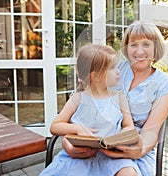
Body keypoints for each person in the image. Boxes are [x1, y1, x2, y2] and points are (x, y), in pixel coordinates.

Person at [62, 21, 168, 175]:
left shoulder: (165, 84)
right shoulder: (112, 68)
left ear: (156, 47)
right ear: (126, 47)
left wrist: (134, 151)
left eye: (146, 44)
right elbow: (82, 108)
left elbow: (150, 133)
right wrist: (67, 142)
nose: (139, 51)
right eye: (133, 45)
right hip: (94, 141)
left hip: (135, 147)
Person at [40, 44, 141, 176]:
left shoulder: (120, 98)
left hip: (111, 157)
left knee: (129, 173)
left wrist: (118, 138)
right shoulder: (78, 98)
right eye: (112, 68)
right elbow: (55, 126)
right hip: (80, 157)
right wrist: (77, 128)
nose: (118, 72)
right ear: (95, 76)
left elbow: (129, 126)